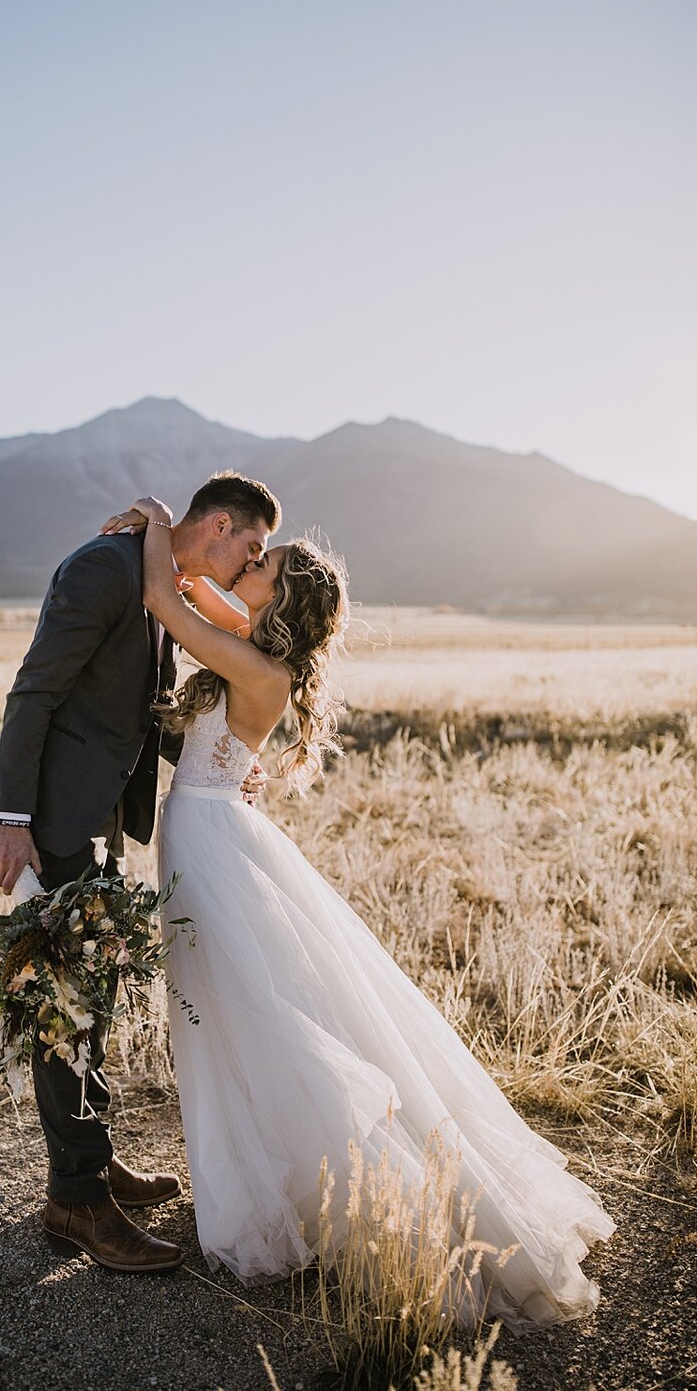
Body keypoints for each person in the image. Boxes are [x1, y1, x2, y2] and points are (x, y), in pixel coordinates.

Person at [98, 494, 615, 1329]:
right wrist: (186, 557)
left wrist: (158, 520)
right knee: (236, 1011)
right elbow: (193, 597)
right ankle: (273, 1178)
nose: (248, 566)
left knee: (257, 1016)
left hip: (210, 842)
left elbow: (165, 599)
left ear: (283, 595)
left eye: (262, 564)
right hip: (212, 831)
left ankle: (344, 1200)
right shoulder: (256, 649)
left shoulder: (257, 669)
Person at [0, 471, 281, 1273]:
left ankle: (93, 1156)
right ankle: (76, 1199)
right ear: (218, 525)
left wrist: (216, 761)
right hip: (51, 830)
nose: (249, 563)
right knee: (63, 1008)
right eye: (250, 547)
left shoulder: (155, 582)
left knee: (96, 997)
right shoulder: (105, 569)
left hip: (107, 827)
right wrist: (11, 819)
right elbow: (35, 690)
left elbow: (131, 716)